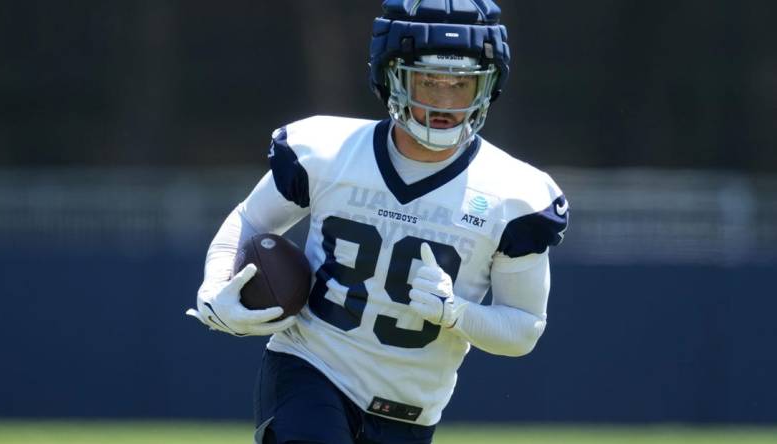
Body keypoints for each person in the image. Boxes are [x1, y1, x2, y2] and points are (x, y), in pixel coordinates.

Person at [186, 1, 568, 443]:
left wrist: (456, 314)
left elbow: (523, 328)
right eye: (427, 81)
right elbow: (251, 220)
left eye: (461, 84)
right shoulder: (326, 152)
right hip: (311, 367)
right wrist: (214, 288)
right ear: (390, 75)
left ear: (488, 86)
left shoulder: (515, 195)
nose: (444, 102)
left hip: (411, 409)